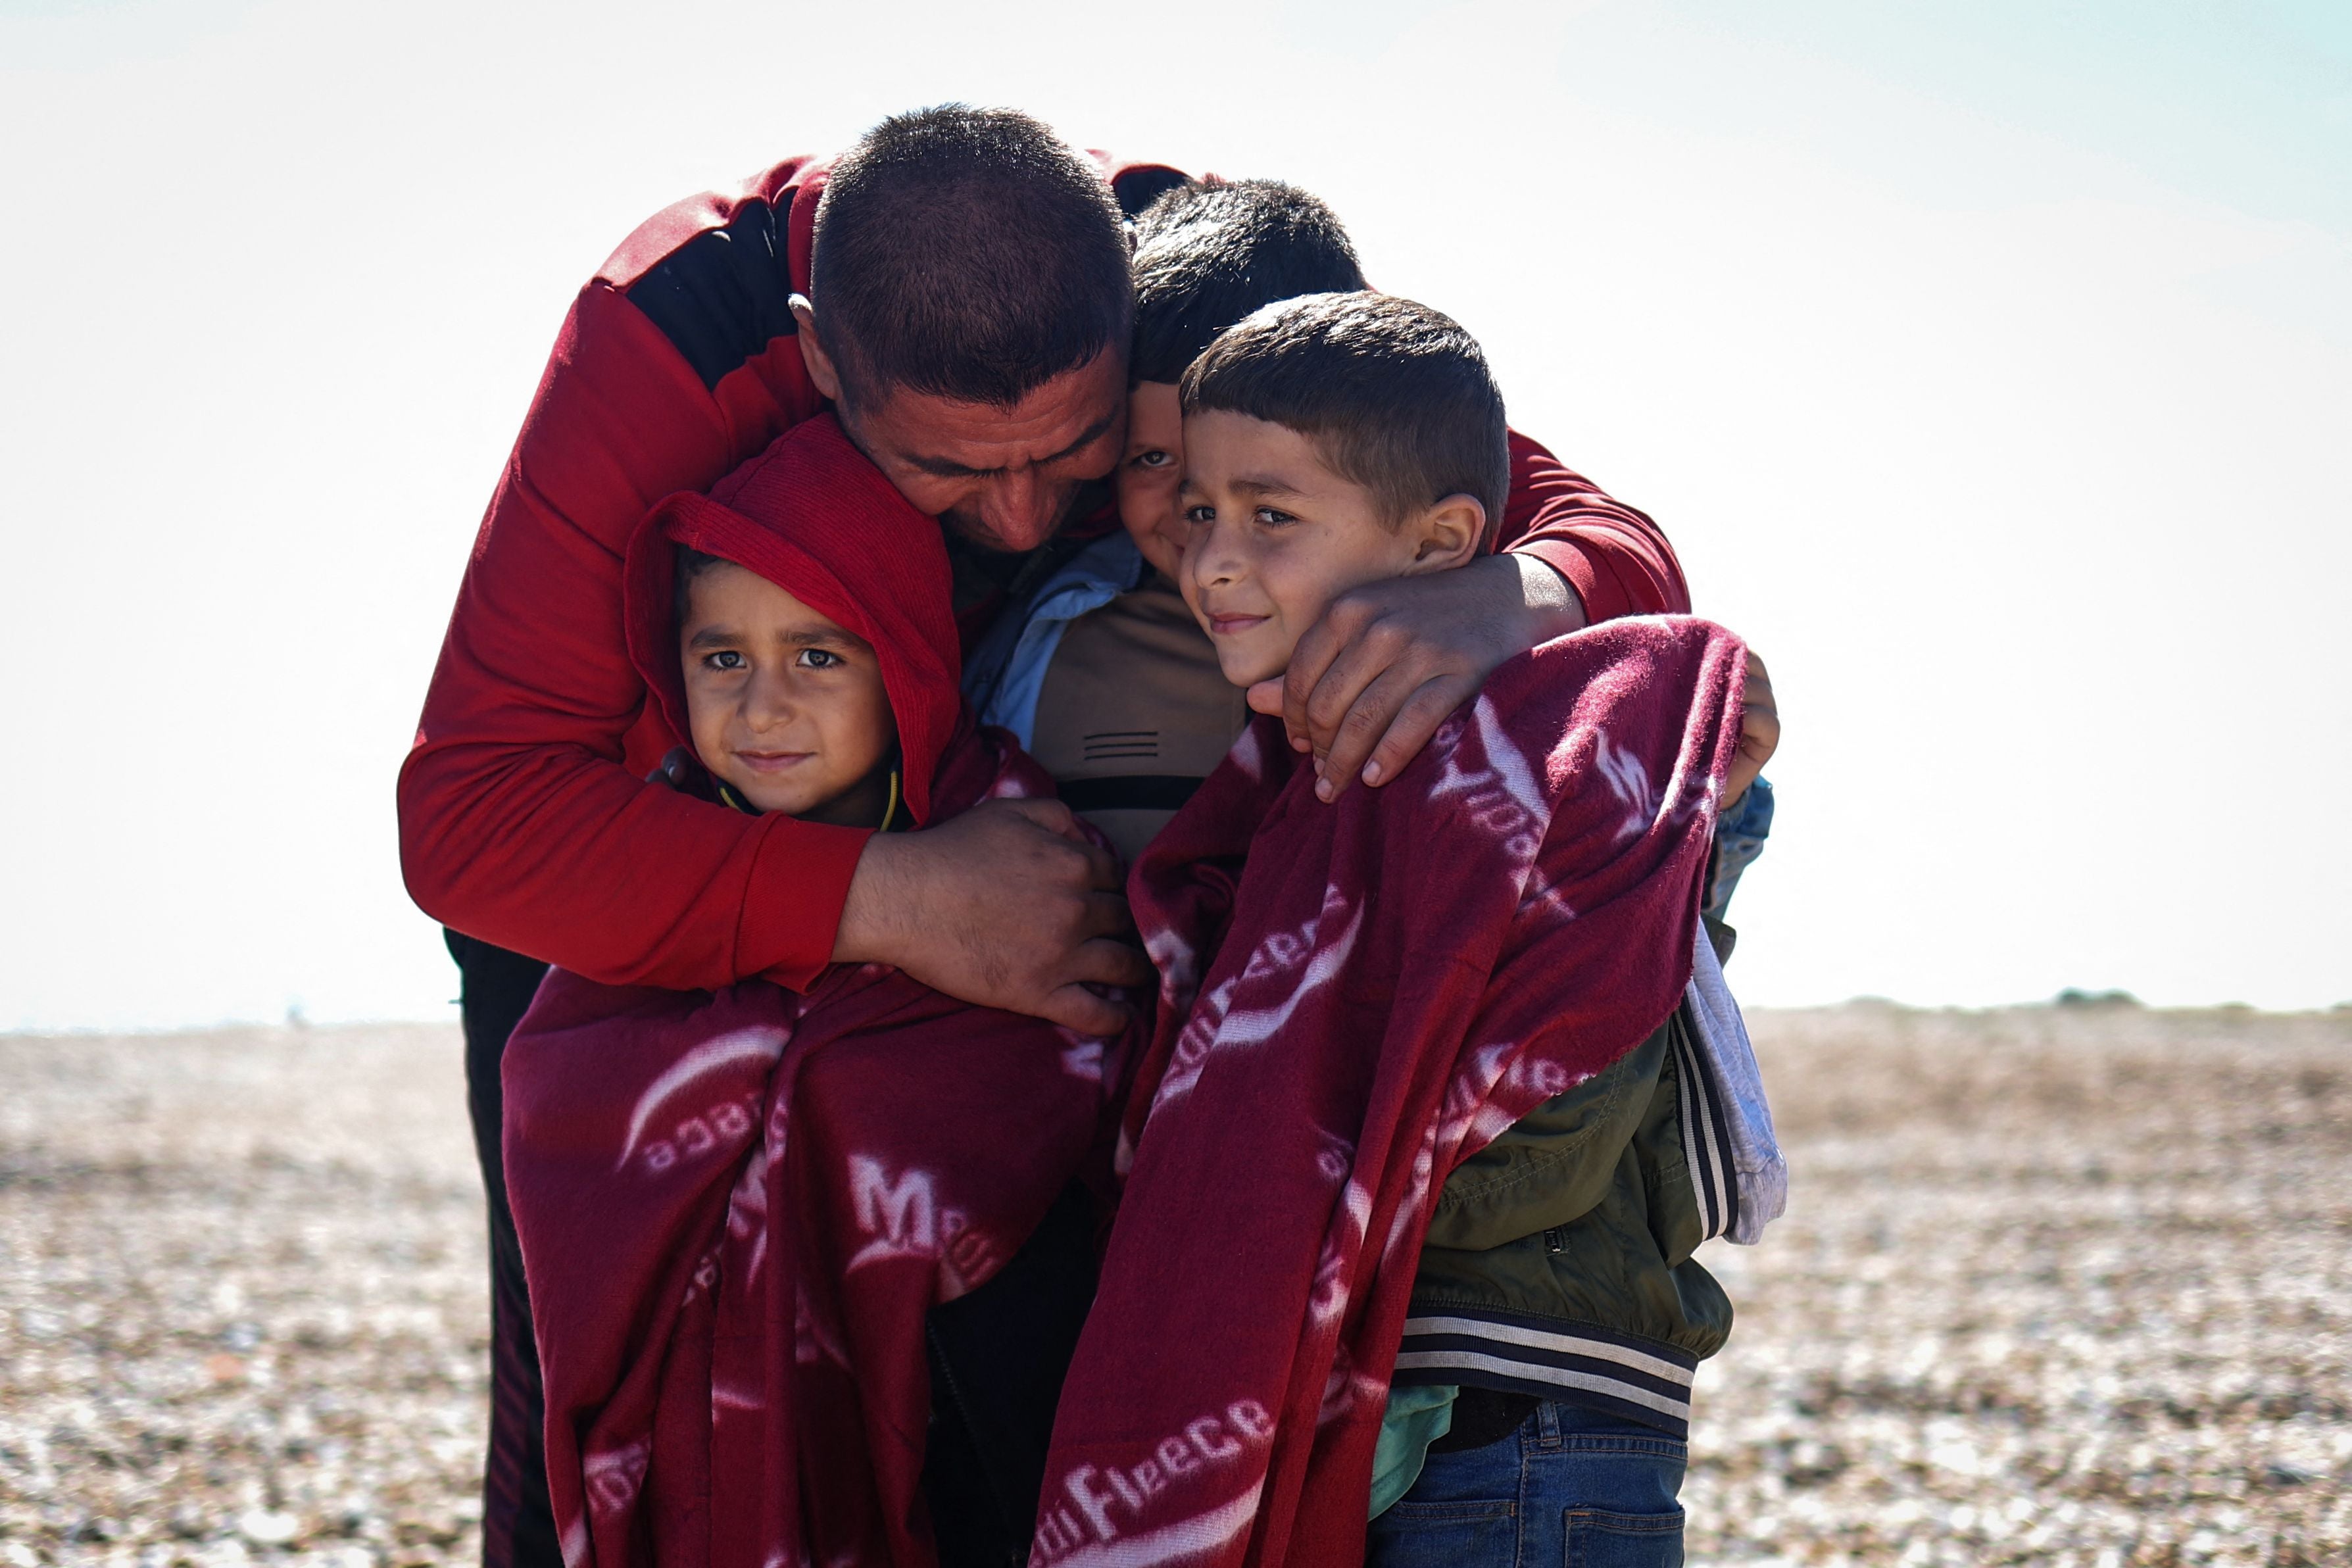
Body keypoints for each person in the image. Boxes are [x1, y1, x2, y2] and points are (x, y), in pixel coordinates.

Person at [398, 106, 1694, 1565]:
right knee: (596, 1402)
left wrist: (1526, 590)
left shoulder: (1186, 266)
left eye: (1078, 453)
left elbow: (1537, 509)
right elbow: (473, 821)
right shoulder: (673, 335)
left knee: (1045, 1402)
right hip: (672, 902)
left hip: (1052, 913)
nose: (1020, 520)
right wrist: (894, 899)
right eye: (951, 471)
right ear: (824, 360)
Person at [1034, 291, 1786, 1568]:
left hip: (1521, 1421)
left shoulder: (1533, 766)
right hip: (1422, 1406)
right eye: (1200, 510)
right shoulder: (1302, 772)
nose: (1212, 556)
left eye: (1271, 517)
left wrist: (1309, 1190)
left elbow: (1553, 1122)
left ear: (1446, 547)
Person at [500, 414, 1123, 1568]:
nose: (763, 706)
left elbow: (1084, 1097)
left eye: (819, 655)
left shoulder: (1020, 865)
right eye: (721, 657)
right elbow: (564, 1108)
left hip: (978, 1443)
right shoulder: (643, 901)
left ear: (910, 663)